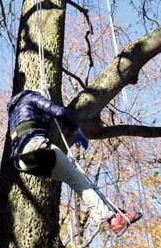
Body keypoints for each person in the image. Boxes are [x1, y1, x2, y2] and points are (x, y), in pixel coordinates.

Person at [8, 90, 141, 235]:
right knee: (77, 179)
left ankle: (111, 212)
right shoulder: (31, 97)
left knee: (77, 180)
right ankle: (113, 220)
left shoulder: (14, 112)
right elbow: (58, 112)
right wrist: (76, 129)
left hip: (23, 162)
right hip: (37, 149)